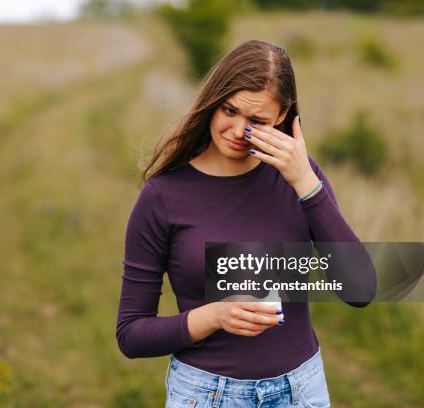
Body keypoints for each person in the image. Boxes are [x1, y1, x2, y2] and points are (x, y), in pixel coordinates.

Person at [116, 40, 376, 408]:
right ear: (213, 101)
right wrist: (213, 316)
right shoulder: (163, 196)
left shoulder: (302, 179)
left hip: (301, 391)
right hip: (206, 395)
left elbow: (361, 290)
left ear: (283, 116)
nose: (239, 131)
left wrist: (305, 183)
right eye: (229, 110)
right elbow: (131, 334)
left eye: (256, 121)